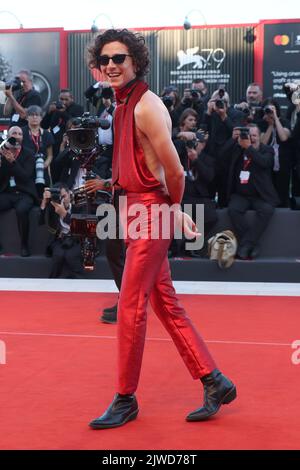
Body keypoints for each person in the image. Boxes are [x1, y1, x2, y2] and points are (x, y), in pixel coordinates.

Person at [87, 28, 236, 429]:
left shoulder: (146, 106)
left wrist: (172, 211)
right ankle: (214, 380)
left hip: (150, 212)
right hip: (134, 208)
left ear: (135, 60)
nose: (112, 65)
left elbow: (173, 169)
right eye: (105, 60)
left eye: (120, 58)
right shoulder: (121, 105)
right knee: (164, 303)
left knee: (130, 305)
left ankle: (125, 397)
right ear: (98, 68)